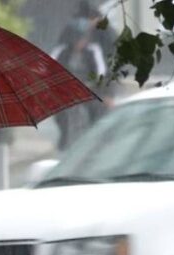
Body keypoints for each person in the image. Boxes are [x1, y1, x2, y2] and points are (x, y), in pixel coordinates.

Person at [49, 5, 110, 150]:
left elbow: (101, 72)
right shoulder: (62, 51)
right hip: (66, 90)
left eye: (82, 39)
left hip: (87, 88)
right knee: (60, 113)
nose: (79, 43)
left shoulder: (93, 51)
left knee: (97, 109)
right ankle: (64, 139)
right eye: (76, 39)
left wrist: (93, 84)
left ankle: (95, 140)